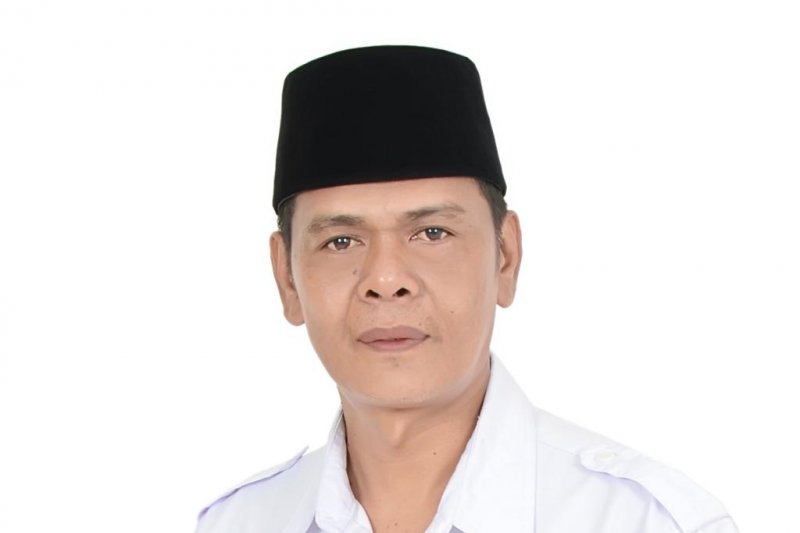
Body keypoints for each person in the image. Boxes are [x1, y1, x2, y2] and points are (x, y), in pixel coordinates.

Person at [195, 45, 738, 533]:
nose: (386, 280)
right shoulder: (238, 524)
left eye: (433, 233)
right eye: (341, 241)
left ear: (506, 256)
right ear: (286, 277)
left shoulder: (645, 522)